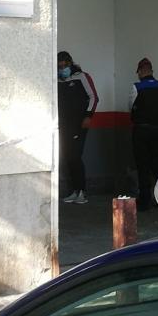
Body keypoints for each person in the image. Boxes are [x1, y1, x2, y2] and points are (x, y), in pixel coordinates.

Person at [57, 51, 99, 204]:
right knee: (67, 157)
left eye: (65, 65)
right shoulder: (57, 80)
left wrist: (88, 116)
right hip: (63, 125)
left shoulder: (82, 77)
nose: (63, 69)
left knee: (75, 156)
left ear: (70, 62)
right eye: (60, 66)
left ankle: (82, 192)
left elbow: (94, 97)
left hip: (79, 124)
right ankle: (74, 191)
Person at [129, 57, 158, 211]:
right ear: (151, 71)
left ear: (140, 72)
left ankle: (145, 200)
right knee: (157, 164)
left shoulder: (137, 87)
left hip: (141, 130)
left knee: (142, 165)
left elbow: (131, 107)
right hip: (156, 129)